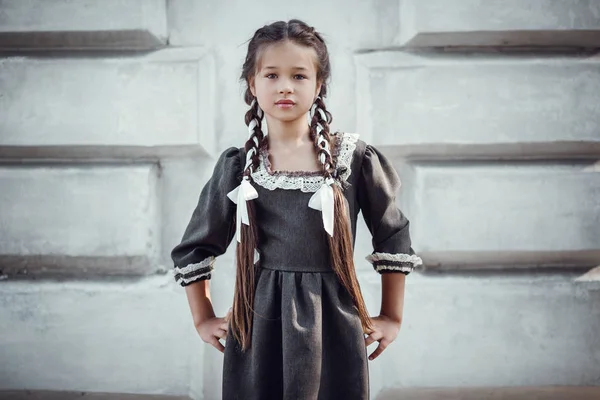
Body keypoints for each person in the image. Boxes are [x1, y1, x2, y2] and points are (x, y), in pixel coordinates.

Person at [171, 19, 423, 400]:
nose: (285, 86)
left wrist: (392, 316)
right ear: (252, 85)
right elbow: (197, 244)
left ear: (319, 85)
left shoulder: (353, 159)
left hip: (334, 320)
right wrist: (202, 317)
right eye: (271, 74)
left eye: (299, 75)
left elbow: (393, 233)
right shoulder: (240, 167)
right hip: (259, 322)